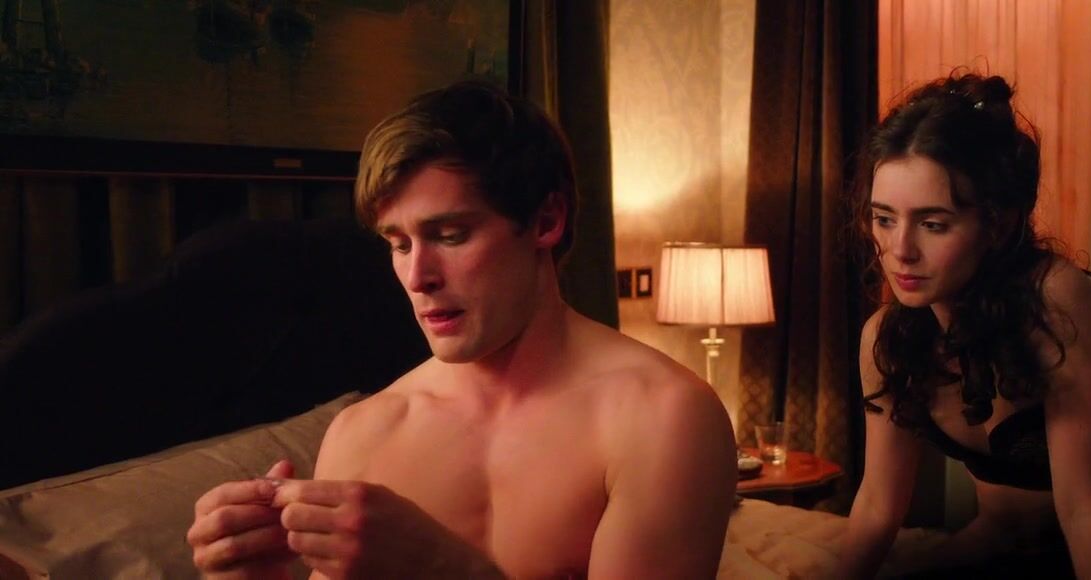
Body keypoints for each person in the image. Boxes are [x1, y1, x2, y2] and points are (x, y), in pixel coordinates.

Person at [185, 81, 738, 579]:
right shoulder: (364, 433)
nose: (417, 277)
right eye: (398, 244)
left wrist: (437, 567)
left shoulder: (662, 415)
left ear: (547, 221)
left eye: (449, 235)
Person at [837, 73, 1091, 579]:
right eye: (885, 219)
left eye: (933, 224)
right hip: (995, 553)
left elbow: (1083, 512)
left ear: (997, 224)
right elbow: (877, 506)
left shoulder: (1056, 304)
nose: (900, 250)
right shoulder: (887, 339)